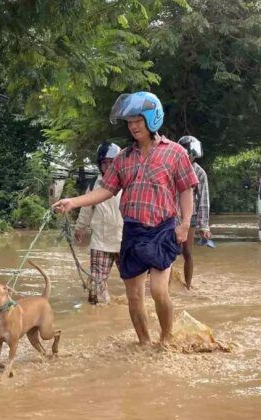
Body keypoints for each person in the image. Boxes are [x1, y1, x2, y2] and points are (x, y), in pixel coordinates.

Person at [54, 92, 198, 346]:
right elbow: (106, 190)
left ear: (152, 119)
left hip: (162, 230)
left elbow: (186, 189)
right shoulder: (123, 158)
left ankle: (165, 340)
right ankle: (143, 343)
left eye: (137, 121)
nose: (132, 127)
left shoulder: (175, 153)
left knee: (158, 290)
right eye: (129, 122)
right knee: (134, 296)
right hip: (131, 230)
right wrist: (73, 202)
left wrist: (185, 224)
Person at [74, 142, 123, 305]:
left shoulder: (128, 181)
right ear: (100, 165)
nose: (108, 166)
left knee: (134, 283)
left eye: (112, 162)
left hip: (126, 240)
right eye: (104, 163)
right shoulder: (95, 183)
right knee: (95, 289)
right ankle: (101, 311)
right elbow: (86, 207)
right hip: (101, 241)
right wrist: (80, 227)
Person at [177, 136, 211, 290]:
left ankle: (188, 287)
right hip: (170, 214)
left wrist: (204, 226)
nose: (190, 158)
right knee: (168, 251)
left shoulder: (199, 173)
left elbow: (203, 199)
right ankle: (165, 286)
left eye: (192, 155)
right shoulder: (172, 167)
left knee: (187, 252)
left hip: (190, 215)